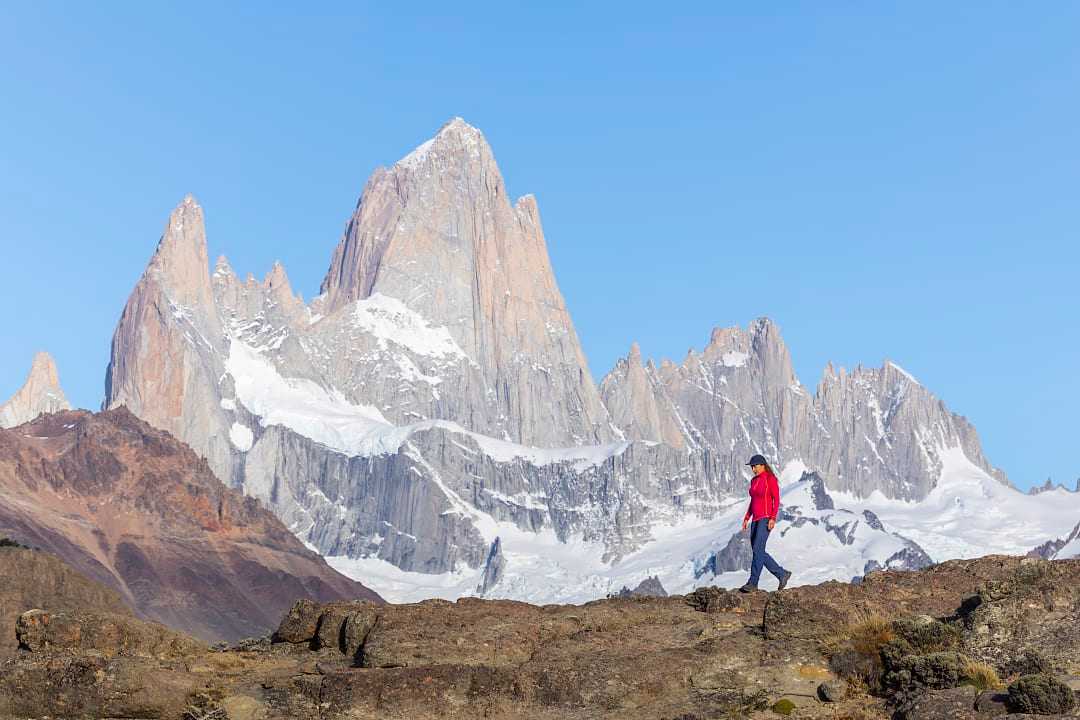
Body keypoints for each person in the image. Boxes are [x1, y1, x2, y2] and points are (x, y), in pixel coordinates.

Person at [739, 454, 792, 593]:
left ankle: (753, 582)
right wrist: (746, 518)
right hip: (755, 520)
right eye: (751, 466)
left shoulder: (770, 479)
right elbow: (753, 502)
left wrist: (773, 518)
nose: (753, 468)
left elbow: (776, 499)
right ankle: (782, 574)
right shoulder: (754, 481)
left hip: (766, 518)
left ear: (762, 465)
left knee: (758, 550)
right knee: (758, 551)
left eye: (755, 466)